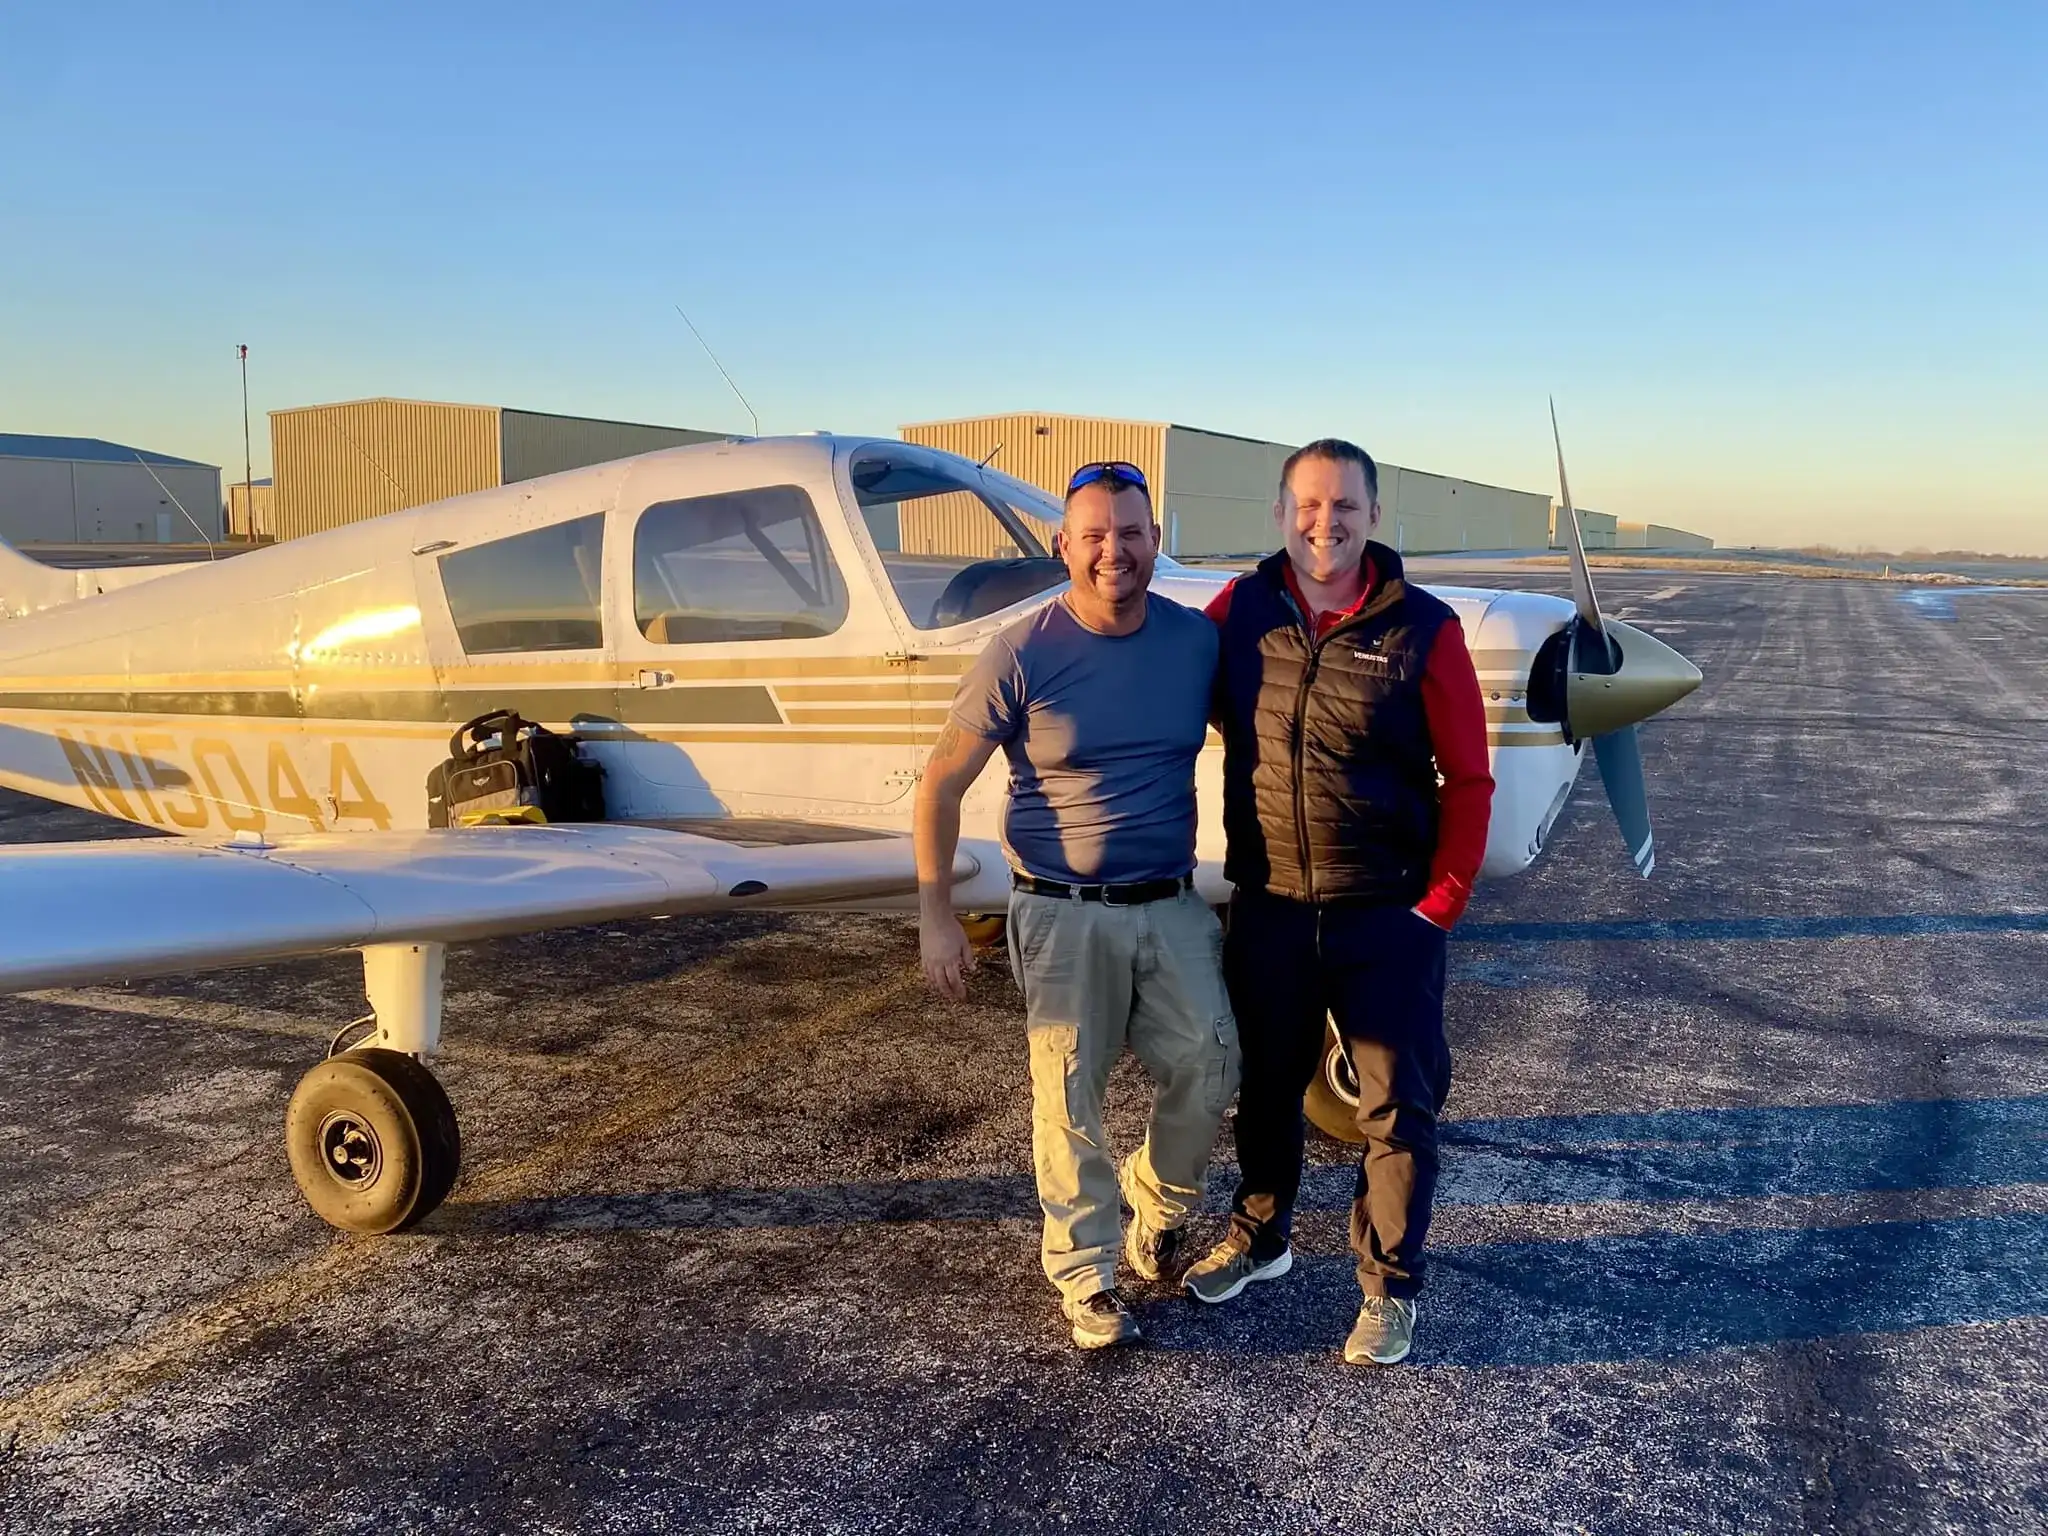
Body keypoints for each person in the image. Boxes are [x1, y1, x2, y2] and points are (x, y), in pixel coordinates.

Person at [914, 461, 1239, 1351]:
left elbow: (1270, 731)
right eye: (1094, 534)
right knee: (1068, 1099)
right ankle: (1087, 1274)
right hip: (1060, 909)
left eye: (1130, 533)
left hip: (1170, 900)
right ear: (1063, 544)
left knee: (1212, 1067)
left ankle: (1155, 1201)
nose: (1113, 551)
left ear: (1155, 541)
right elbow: (940, 784)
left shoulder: (1193, 643)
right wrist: (937, 915)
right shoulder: (1022, 650)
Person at [1183, 438, 1494, 1367]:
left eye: (1346, 506)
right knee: (1267, 1088)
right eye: (1310, 505)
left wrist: (1440, 904)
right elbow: (1173, 692)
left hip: (1386, 915)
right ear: (1282, 514)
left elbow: (1469, 779)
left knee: (1395, 1109)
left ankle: (1389, 1289)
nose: (1327, 523)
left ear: (1374, 516)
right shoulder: (1239, 611)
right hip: (1271, 903)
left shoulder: (1426, 629)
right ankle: (1261, 1238)